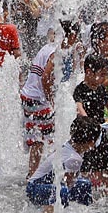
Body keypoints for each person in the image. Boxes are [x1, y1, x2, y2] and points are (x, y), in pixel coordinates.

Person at [21, 20, 81, 179]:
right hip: (38, 99)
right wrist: (50, 100)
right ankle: (36, 175)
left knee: (40, 136)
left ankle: (35, 173)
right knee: (42, 138)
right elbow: (46, 77)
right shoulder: (55, 52)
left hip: (31, 96)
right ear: (72, 35)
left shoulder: (51, 47)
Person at [26, 116, 100, 213]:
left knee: (84, 184)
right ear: (92, 142)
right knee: (62, 191)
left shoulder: (70, 146)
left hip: (43, 185)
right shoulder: (74, 158)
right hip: (35, 188)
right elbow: (68, 183)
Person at [76, 54, 108, 198]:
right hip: (87, 132)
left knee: (105, 159)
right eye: (101, 75)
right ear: (89, 72)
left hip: (100, 130)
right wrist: (86, 120)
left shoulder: (101, 89)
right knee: (86, 160)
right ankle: (84, 185)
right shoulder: (80, 89)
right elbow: (79, 107)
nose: (104, 79)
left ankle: (105, 187)